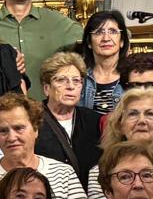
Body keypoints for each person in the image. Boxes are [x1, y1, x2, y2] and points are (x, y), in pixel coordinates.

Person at [35, 51, 103, 184]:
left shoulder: (94, 121)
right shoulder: (33, 120)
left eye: (76, 81)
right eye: (61, 80)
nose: (71, 86)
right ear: (46, 88)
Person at [78, 10, 130, 115]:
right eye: (98, 32)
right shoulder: (79, 76)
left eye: (113, 31)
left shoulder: (132, 76)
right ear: (89, 42)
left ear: (122, 41)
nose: (106, 38)